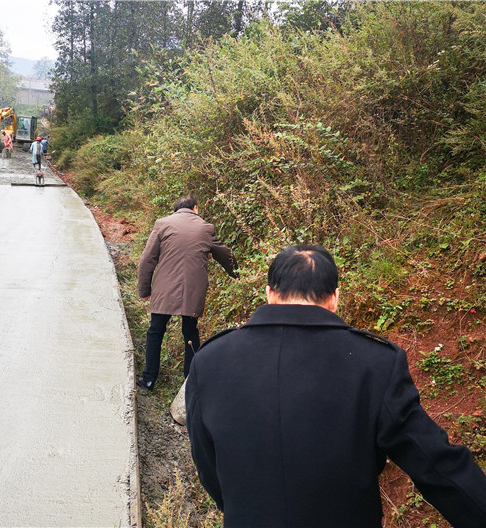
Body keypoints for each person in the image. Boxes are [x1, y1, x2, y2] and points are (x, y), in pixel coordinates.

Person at [186, 244, 486, 527]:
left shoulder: (210, 361)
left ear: (269, 294)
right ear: (334, 298)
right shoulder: (375, 363)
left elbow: (208, 466)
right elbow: (436, 464)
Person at [136, 194, 237, 391]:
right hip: (193, 290)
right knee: (190, 332)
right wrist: (239, 274)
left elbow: (147, 259)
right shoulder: (205, 227)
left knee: (155, 331)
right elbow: (224, 254)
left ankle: (148, 379)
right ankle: (190, 381)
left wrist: (145, 289)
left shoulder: (162, 224)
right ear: (195, 208)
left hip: (164, 288)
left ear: (176, 210)